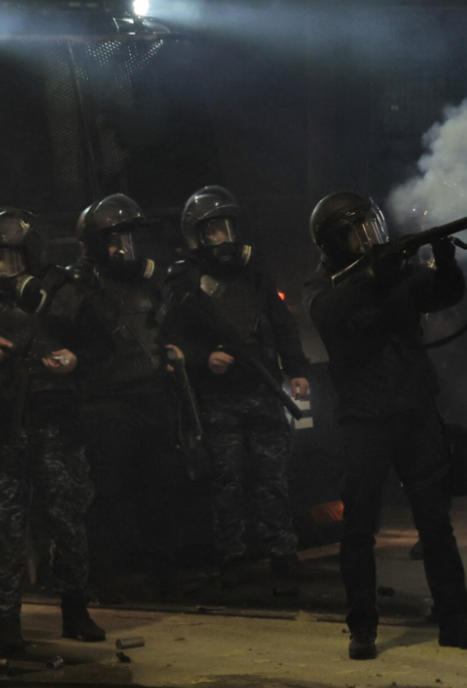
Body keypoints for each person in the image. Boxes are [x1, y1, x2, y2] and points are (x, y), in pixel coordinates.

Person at [304, 192, 467, 660]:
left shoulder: (399, 274)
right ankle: (362, 626)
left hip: (414, 411)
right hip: (364, 419)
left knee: (435, 523)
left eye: (371, 229)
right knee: (358, 528)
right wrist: (373, 274)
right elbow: (328, 313)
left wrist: (445, 261)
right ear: (332, 242)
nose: (368, 240)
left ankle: (453, 620)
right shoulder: (326, 285)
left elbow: (445, 294)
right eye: (355, 233)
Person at [0, 207, 108, 653]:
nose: (2, 268)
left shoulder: (61, 291)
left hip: (56, 427)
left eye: (11, 258)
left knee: (69, 523)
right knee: (5, 529)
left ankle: (76, 610)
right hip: (3, 430)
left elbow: (103, 343)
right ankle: (6, 622)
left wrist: (75, 360)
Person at [162, 185, 311, 586]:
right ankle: (233, 555)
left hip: (262, 388)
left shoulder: (255, 273)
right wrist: (202, 359)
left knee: (272, 476)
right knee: (226, 479)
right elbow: (167, 340)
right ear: (195, 235)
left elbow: (282, 325)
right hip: (217, 397)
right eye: (212, 230)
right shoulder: (184, 283)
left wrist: (296, 369)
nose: (222, 237)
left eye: (226, 227)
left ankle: (282, 550)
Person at [71, 194, 189, 601]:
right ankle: (108, 577)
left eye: (128, 237)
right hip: (108, 404)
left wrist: (173, 351)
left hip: (153, 397)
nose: (124, 247)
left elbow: (166, 325)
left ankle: (164, 573)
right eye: (114, 238)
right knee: (109, 495)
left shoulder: (147, 282)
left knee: (161, 491)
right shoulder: (80, 288)